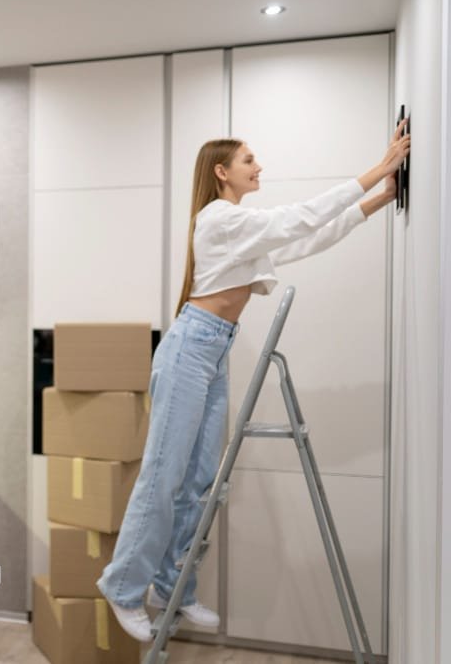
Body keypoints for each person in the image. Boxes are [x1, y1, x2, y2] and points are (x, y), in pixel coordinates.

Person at [97, 121, 411, 642]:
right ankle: (123, 585)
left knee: (199, 480)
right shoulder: (219, 219)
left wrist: (382, 198)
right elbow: (299, 218)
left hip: (213, 350)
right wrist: (379, 168)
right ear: (222, 173)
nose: (258, 166)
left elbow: (309, 237)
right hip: (190, 349)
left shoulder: (240, 230)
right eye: (248, 160)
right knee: (163, 474)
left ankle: (173, 583)